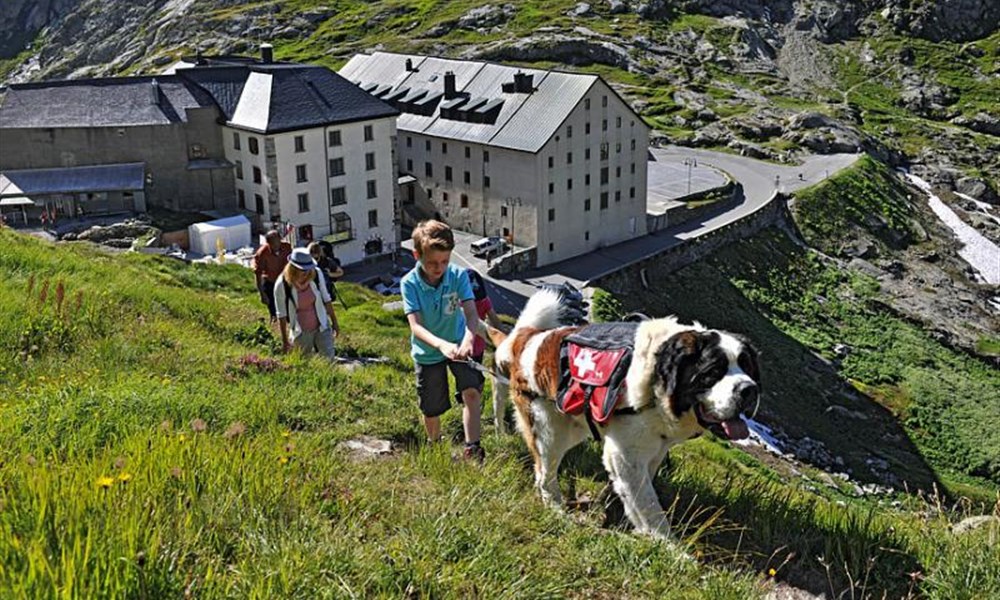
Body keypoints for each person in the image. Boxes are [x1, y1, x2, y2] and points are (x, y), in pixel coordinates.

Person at [401, 220, 485, 461]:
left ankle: (473, 448)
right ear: (417, 255)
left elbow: (471, 313)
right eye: (432, 263)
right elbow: (415, 326)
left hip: (458, 345)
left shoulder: (457, 275)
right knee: (432, 406)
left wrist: (468, 339)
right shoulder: (409, 284)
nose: (440, 268)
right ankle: (435, 444)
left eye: (445, 261)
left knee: (471, 393)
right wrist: (440, 345)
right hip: (428, 352)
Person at [464, 269, 510, 434]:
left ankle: (471, 404)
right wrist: (505, 338)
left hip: (465, 348)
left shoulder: (461, 301)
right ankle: (475, 403)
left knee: (469, 380)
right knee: (476, 380)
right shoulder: (484, 300)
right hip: (476, 347)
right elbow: (495, 321)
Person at [274, 248, 339, 360]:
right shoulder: (282, 285)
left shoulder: (316, 274)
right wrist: (285, 341)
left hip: (322, 325)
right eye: (303, 270)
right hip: (301, 331)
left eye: (309, 269)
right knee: (304, 361)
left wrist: (334, 322)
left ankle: (330, 377)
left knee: (329, 358)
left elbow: (326, 299)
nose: (307, 273)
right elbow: (282, 315)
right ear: (293, 269)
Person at [252, 230, 293, 322]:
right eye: (272, 243)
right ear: (268, 243)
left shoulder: (287, 247)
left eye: (277, 241)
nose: (276, 245)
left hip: (286, 281)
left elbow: (292, 264)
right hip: (271, 283)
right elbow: (258, 273)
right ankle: (277, 328)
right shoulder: (262, 253)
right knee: (275, 311)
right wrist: (262, 294)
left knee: (289, 308)